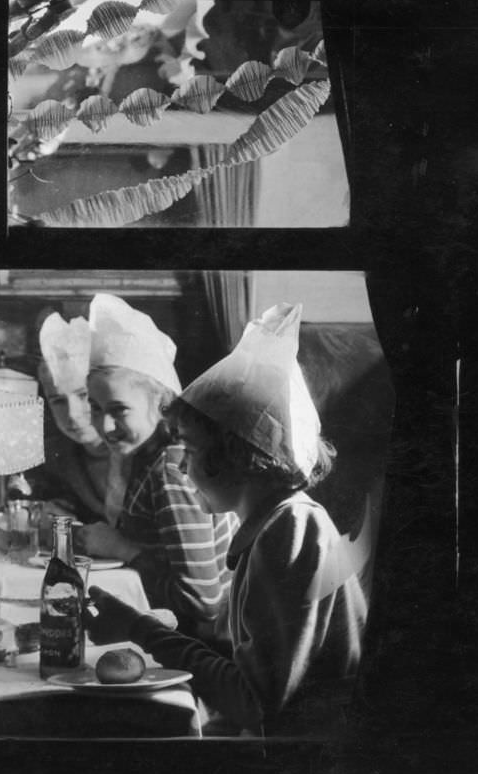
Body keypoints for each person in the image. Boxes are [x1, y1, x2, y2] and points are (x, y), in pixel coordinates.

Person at [85, 303, 368, 736]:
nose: (181, 469)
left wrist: (139, 628)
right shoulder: (275, 525)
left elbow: (256, 707)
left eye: (192, 454)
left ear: (237, 459)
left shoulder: (291, 532)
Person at [81, 294, 238, 640]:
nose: (104, 426)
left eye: (119, 410)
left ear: (162, 402)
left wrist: (122, 548)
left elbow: (203, 601)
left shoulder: (171, 469)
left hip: (207, 645)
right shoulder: (144, 456)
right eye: (95, 407)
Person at [25, 311, 128, 525]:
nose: (72, 414)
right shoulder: (60, 457)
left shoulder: (139, 453)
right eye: (58, 401)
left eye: (84, 396)